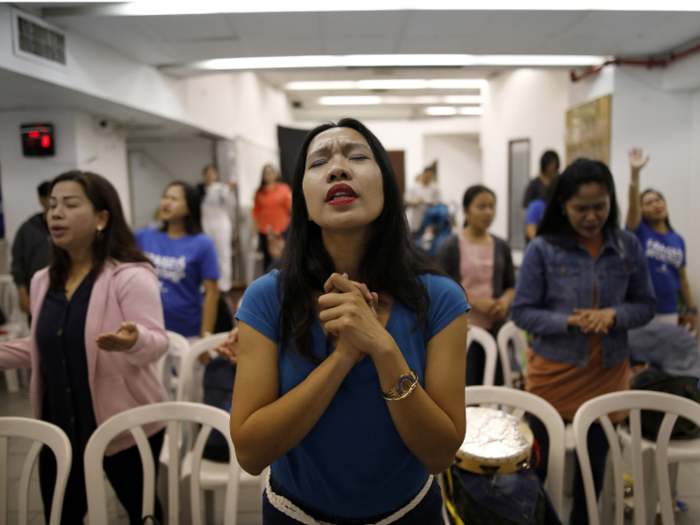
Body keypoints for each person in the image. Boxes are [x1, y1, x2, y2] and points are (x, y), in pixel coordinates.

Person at [229, 118, 469, 524]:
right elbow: (251, 454)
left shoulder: (440, 297)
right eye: (318, 162)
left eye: (357, 156)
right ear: (302, 198)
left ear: (387, 186)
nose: (338, 168)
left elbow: (439, 454)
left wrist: (382, 346)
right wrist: (343, 357)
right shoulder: (269, 297)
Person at [0, 171, 169, 525]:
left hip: (125, 425)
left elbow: (157, 344)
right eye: (52, 205)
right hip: (59, 425)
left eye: (70, 204)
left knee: (144, 514)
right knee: (61, 516)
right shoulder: (42, 280)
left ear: (101, 218)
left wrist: (133, 340)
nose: (55, 213)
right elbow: (43, 346)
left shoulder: (129, 276)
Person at [511, 158, 656, 525]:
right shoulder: (543, 249)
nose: (592, 216)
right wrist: (572, 321)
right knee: (539, 471)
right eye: (581, 208)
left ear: (612, 201)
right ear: (562, 204)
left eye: (600, 206)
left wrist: (614, 315)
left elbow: (646, 305)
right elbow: (523, 312)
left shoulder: (627, 246)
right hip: (552, 376)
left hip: (607, 375)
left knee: (590, 476)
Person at [436, 185, 515, 385]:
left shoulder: (501, 245)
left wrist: (503, 303)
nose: (489, 212)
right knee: (466, 388)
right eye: (482, 206)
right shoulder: (450, 246)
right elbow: (441, 289)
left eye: (492, 206)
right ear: (465, 211)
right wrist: (477, 302)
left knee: (494, 386)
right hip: (463, 330)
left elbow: (510, 285)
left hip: (495, 327)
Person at [135, 182, 220, 341]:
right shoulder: (143, 237)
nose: (167, 202)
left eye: (174, 199)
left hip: (187, 331)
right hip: (148, 329)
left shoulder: (203, 244)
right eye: (165, 197)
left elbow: (212, 293)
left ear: (189, 207)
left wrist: (205, 336)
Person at [626, 148, 696, 330]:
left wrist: (691, 308)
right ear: (641, 210)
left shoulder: (677, 239)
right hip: (641, 308)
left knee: (665, 358)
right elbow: (633, 205)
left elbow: (682, 278)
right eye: (648, 203)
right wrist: (635, 174)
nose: (656, 204)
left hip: (669, 310)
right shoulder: (638, 231)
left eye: (658, 200)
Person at [11, 180, 52, 314]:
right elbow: (17, 264)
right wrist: (22, 294)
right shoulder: (27, 229)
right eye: (53, 198)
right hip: (37, 294)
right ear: (42, 200)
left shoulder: (70, 227)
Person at [200, 165, 236, 293]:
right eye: (207, 173)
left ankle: (225, 284)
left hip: (221, 224)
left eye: (212, 173)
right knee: (208, 255)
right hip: (206, 224)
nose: (210, 175)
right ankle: (208, 284)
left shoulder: (222, 188)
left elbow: (229, 204)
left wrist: (230, 190)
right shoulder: (201, 190)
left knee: (223, 254)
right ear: (204, 175)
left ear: (216, 174)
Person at [252, 165, 292, 269]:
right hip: (264, 230)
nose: (269, 175)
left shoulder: (284, 188)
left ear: (275, 174)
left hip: (282, 228)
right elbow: (255, 211)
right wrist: (253, 231)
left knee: (285, 256)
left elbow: (290, 207)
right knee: (267, 258)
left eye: (271, 172)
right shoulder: (259, 192)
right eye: (266, 173)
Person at [405, 166, 441, 237]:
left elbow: (438, 201)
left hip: (429, 218)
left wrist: (432, 202)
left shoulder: (435, 188)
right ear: (423, 175)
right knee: (415, 237)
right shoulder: (414, 187)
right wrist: (420, 200)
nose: (428, 178)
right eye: (427, 176)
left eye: (430, 177)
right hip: (416, 217)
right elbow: (408, 200)